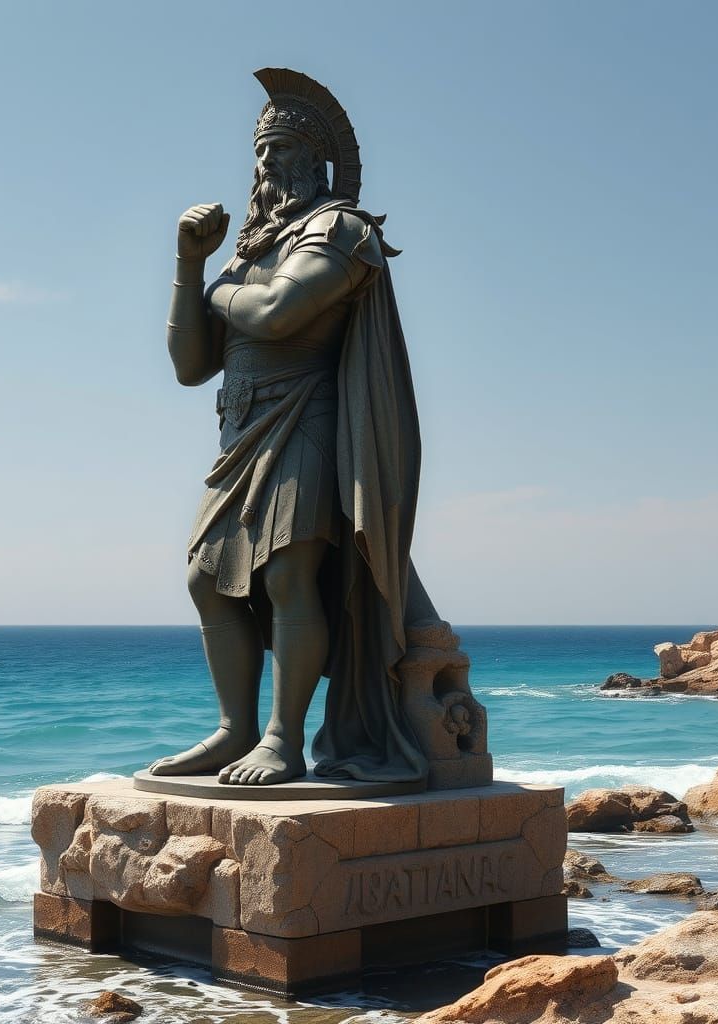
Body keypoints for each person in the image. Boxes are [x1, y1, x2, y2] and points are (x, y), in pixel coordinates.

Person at [149, 69, 437, 787]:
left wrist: (219, 284)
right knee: (206, 580)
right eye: (260, 152)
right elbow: (190, 365)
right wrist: (189, 266)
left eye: (280, 151)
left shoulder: (339, 229)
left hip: (307, 419)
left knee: (288, 572)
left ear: (316, 160)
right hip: (242, 432)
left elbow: (278, 314)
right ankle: (234, 730)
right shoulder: (250, 250)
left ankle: (283, 739)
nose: (265, 166)